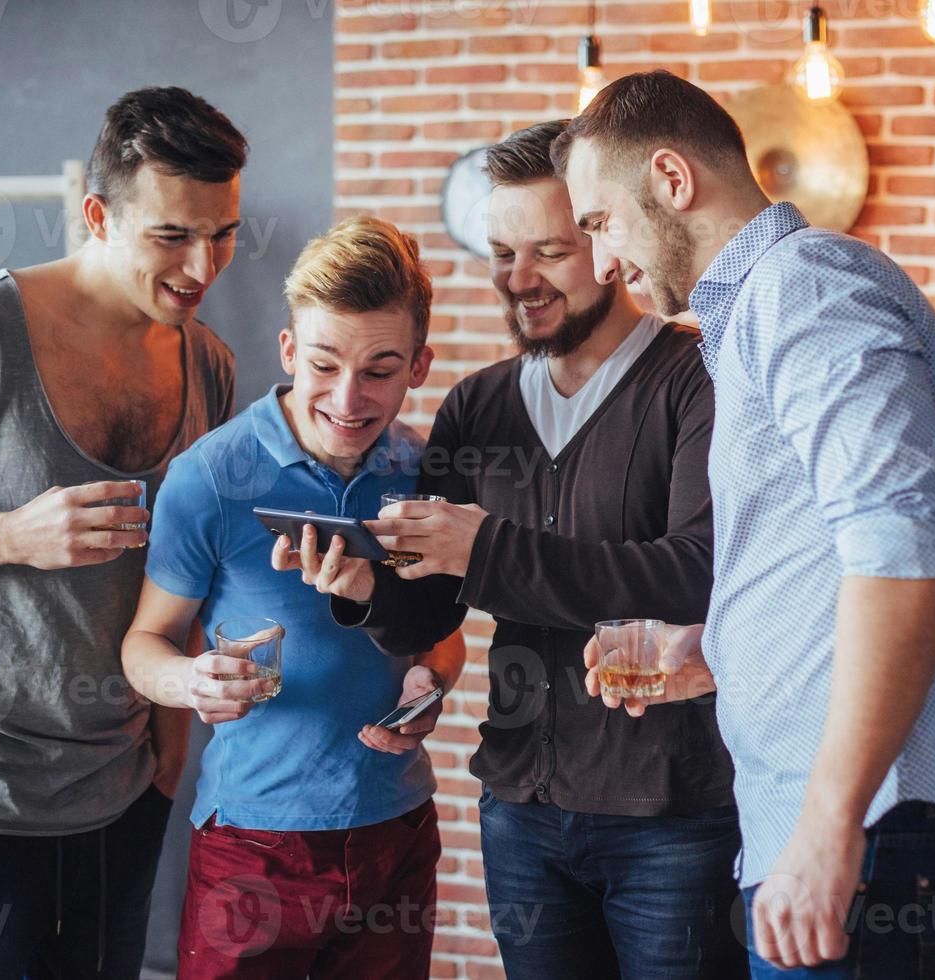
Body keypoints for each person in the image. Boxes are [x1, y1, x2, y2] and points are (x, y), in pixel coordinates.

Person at [554, 71, 935, 979]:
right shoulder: (758, 311)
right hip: (853, 833)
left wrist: (830, 824)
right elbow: (830, 560)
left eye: (600, 222)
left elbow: (903, 549)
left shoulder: (799, 288)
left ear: (671, 179)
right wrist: (716, 650)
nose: (600, 264)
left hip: (875, 831)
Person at [325, 121, 746, 979]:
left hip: (670, 812)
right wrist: (367, 585)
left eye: (547, 250)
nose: (518, 280)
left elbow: (697, 573)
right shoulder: (478, 407)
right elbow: (434, 604)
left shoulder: (699, 379)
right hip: (520, 808)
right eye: (502, 252)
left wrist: (486, 547)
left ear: (605, 236)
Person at [0, 86, 244, 977]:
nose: (202, 265)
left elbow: (194, 563)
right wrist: (9, 535)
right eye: (172, 235)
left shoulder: (208, 362)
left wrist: (170, 751)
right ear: (98, 215)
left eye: (222, 233)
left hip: (121, 790)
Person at [121, 214, 466, 980]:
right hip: (252, 841)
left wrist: (431, 681)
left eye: (380, 369)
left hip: (396, 828)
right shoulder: (208, 478)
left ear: (419, 366)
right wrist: (190, 681)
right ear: (288, 352)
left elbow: (440, 634)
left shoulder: (426, 475)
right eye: (324, 364)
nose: (349, 398)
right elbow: (144, 645)